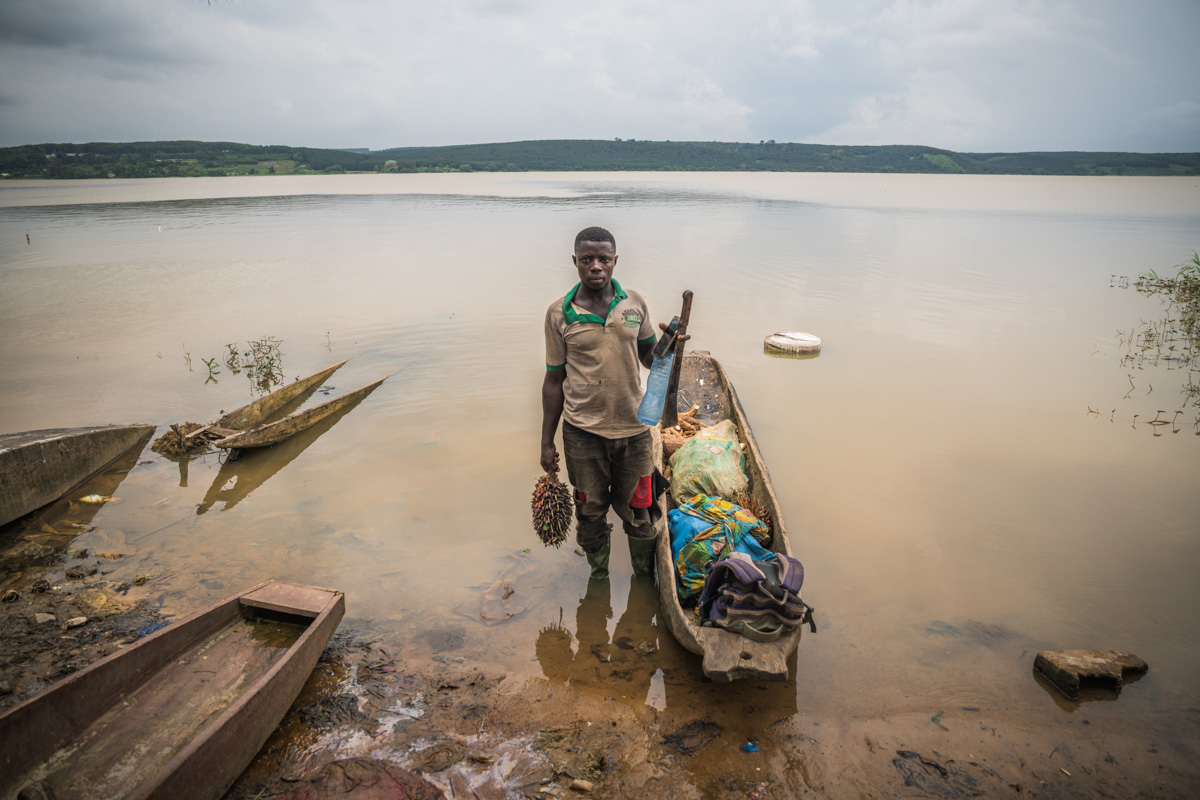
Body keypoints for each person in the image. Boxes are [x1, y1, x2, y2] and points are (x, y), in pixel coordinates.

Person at [541, 226, 667, 580]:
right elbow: (553, 381)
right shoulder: (559, 314)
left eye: (603, 259)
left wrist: (670, 344)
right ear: (575, 262)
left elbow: (649, 359)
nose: (595, 266)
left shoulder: (634, 304)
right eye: (587, 260)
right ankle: (599, 579)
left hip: (635, 428)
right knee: (589, 512)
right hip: (583, 434)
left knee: (641, 511)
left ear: (615, 262)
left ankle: (643, 580)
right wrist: (546, 441)